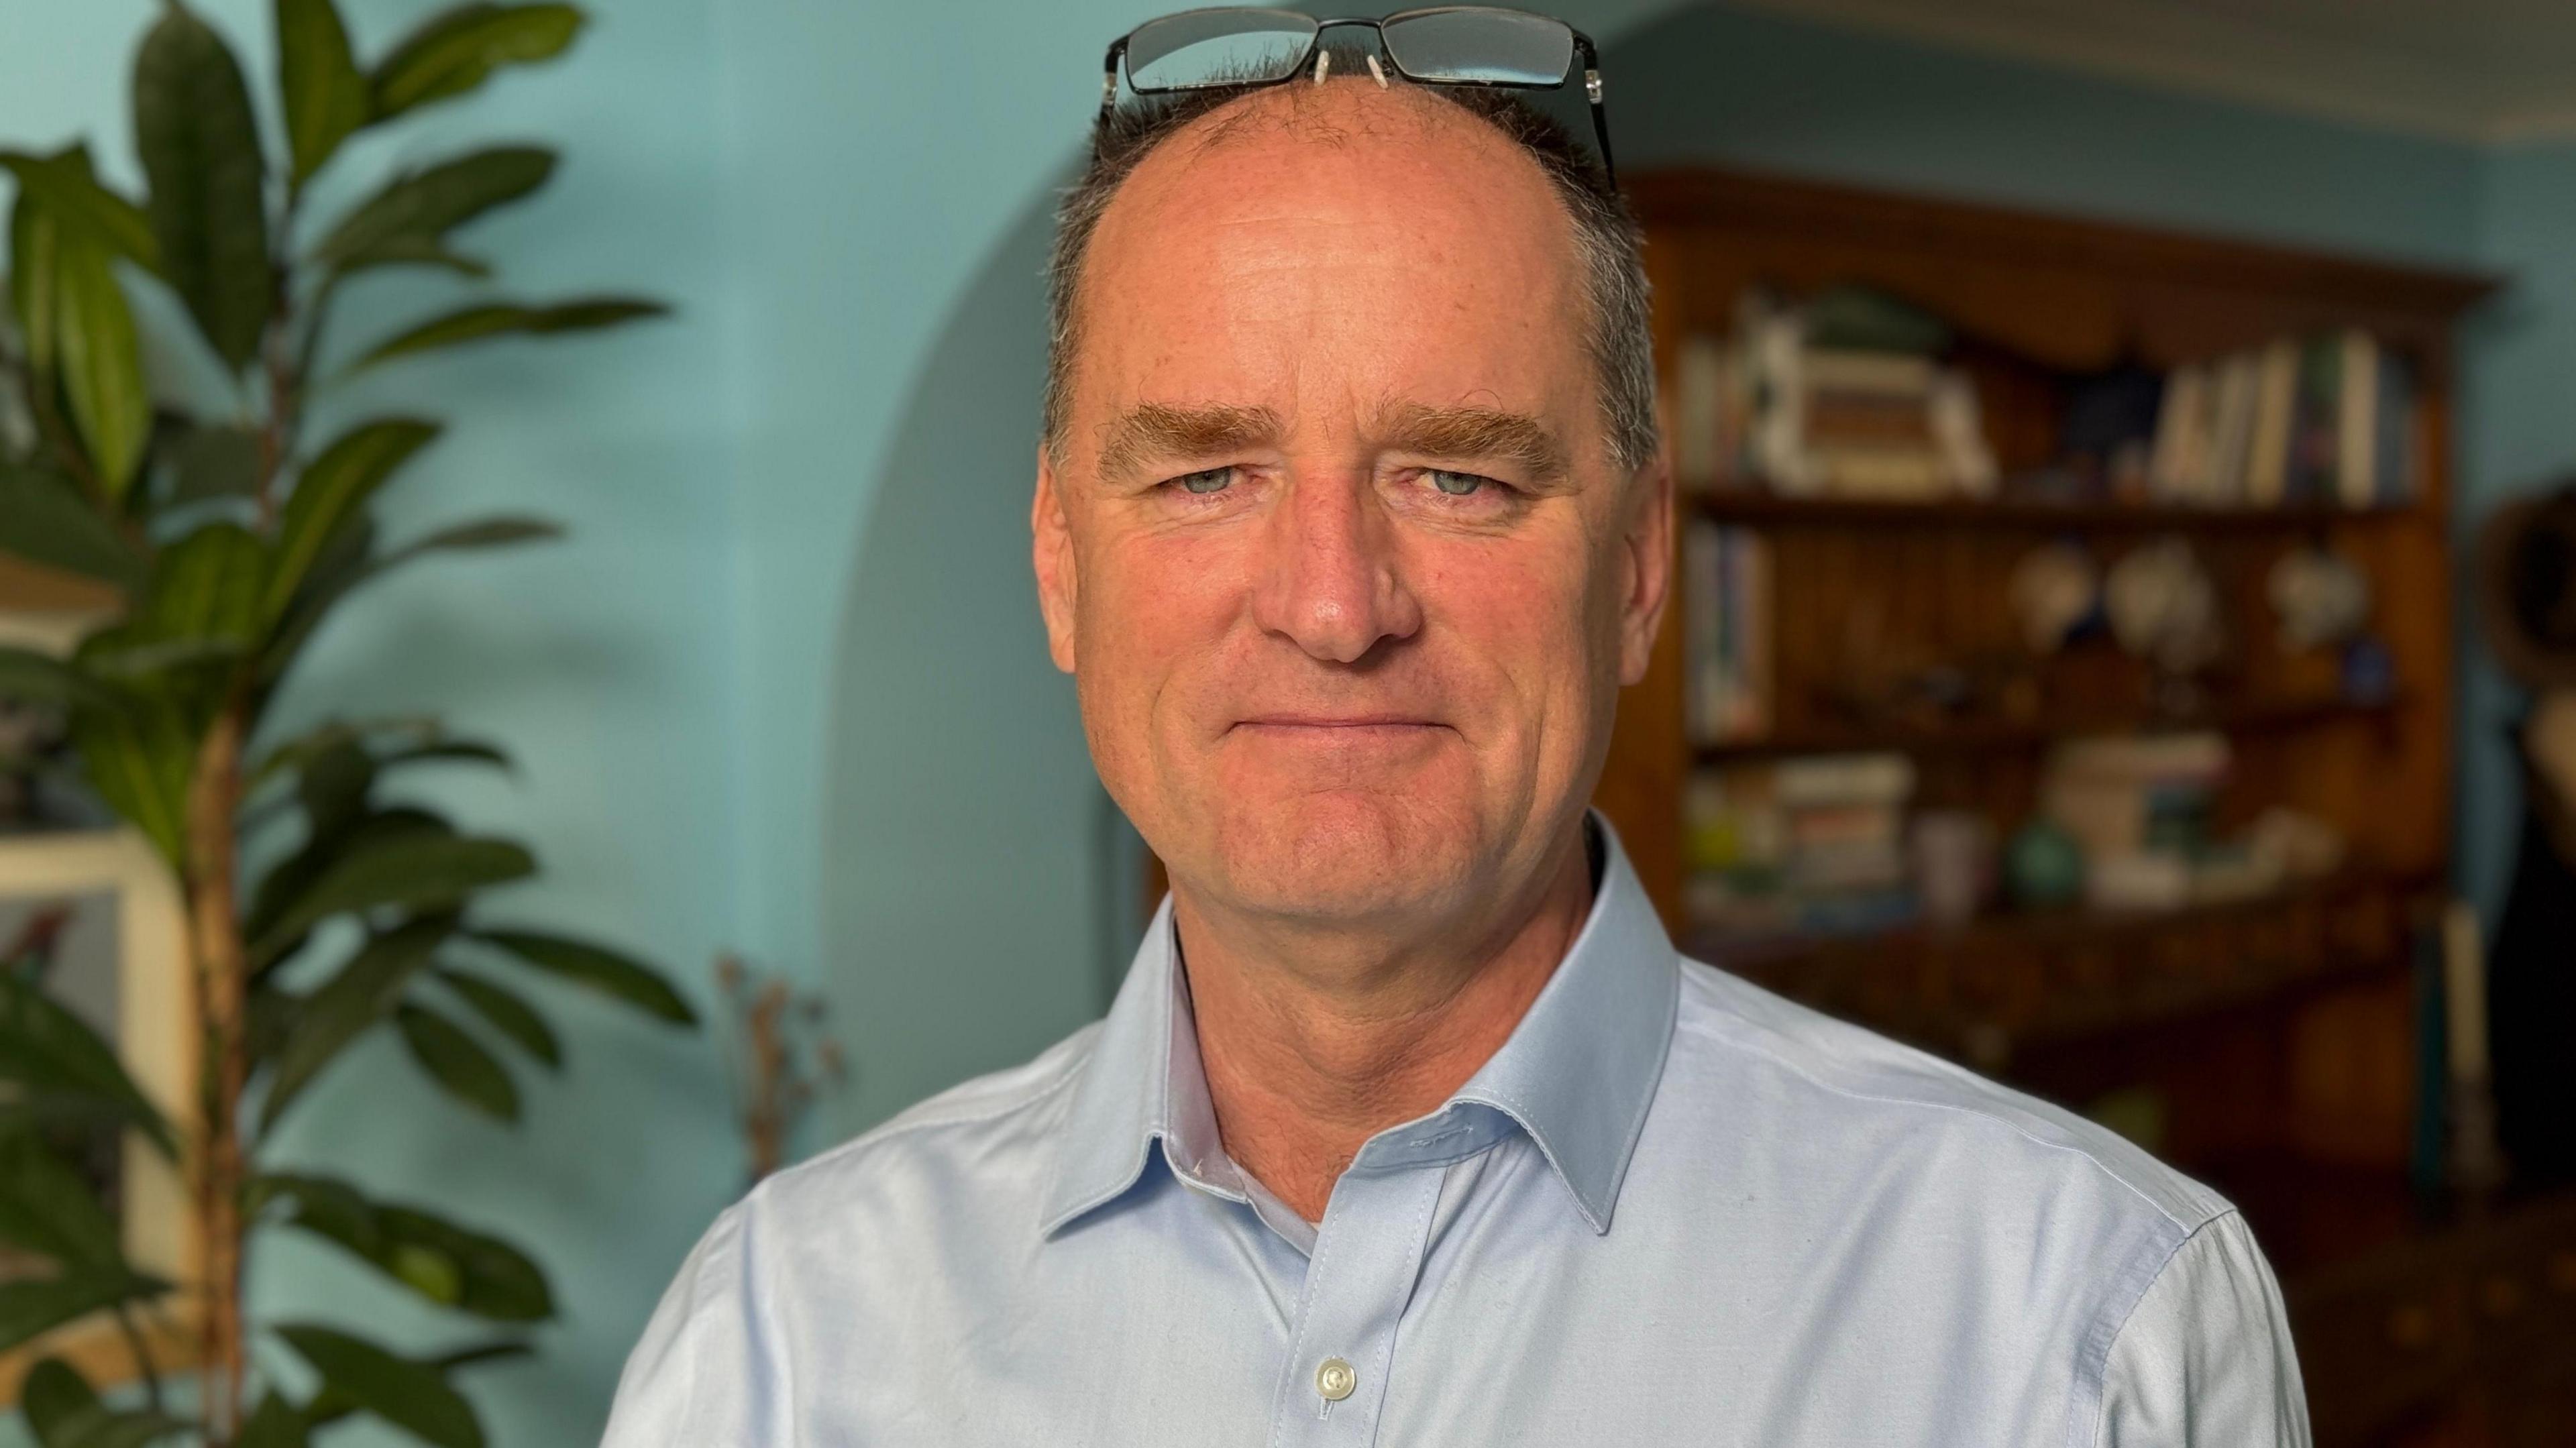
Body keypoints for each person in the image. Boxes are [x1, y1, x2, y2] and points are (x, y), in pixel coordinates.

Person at [602, 11, 2308, 1445]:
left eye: (1459, 476)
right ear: (1061, 567)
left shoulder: (2081, 1329)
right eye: (1207, 474)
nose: (1338, 609)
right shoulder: (779, 1349)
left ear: (1638, 569)